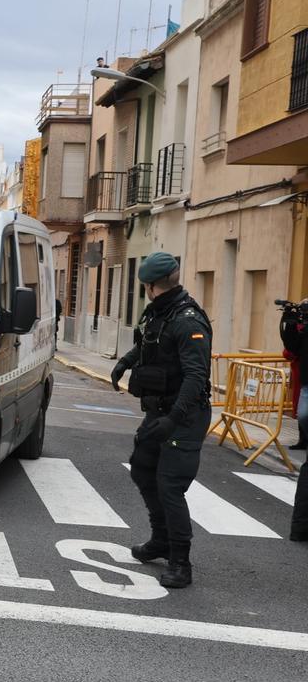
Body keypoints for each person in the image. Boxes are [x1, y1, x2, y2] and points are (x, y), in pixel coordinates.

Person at [111, 252, 212, 589]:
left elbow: (196, 378)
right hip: (160, 411)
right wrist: (125, 361)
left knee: (170, 485)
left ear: (152, 286)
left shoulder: (187, 320)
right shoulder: (161, 313)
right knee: (142, 468)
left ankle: (181, 562)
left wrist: (174, 419)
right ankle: (161, 539)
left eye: (145, 286)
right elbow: (151, 346)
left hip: (184, 415)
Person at [278, 299, 308, 450]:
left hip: (301, 374)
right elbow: (290, 351)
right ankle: (303, 439)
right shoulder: (301, 328)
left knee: (302, 410)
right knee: (302, 411)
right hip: (303, 376)